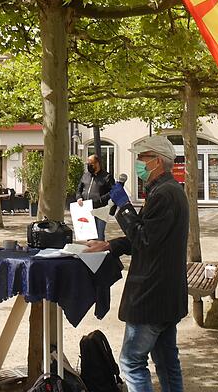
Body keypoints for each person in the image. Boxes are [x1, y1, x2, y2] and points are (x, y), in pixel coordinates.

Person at [85, 136, 188, 392]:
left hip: (152, 296)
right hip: (166, 294)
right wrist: (111, 245)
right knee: (166, 361)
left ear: (157, 161)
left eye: (142, 158)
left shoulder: (164, 194)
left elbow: (143, 239)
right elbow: (146, 234)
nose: (138, 164)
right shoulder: (167, 190)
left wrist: (124, 207)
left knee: (131, 362)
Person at [76, 154, 115, 240]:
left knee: (99, 235)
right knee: (89, 236)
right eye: (88, 164)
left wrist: (101, 200)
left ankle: (100, 252)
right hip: (86, 209)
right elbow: (79, 189)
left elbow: (113, 191)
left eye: (91, 164)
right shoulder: (85, 176)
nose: (89, 166)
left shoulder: (107, 177)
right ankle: (90, 252)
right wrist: (79, 198)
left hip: (100, 210)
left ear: (97, 163)